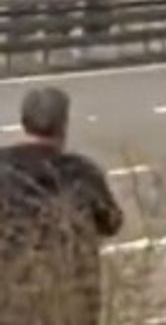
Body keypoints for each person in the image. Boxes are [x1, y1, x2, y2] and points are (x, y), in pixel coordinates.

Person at [0, 87, 124, 325]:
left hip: (12, 297)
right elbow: (112, 222)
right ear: (63, 125)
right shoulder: (82, 172)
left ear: (24, 122)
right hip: (72, 297)